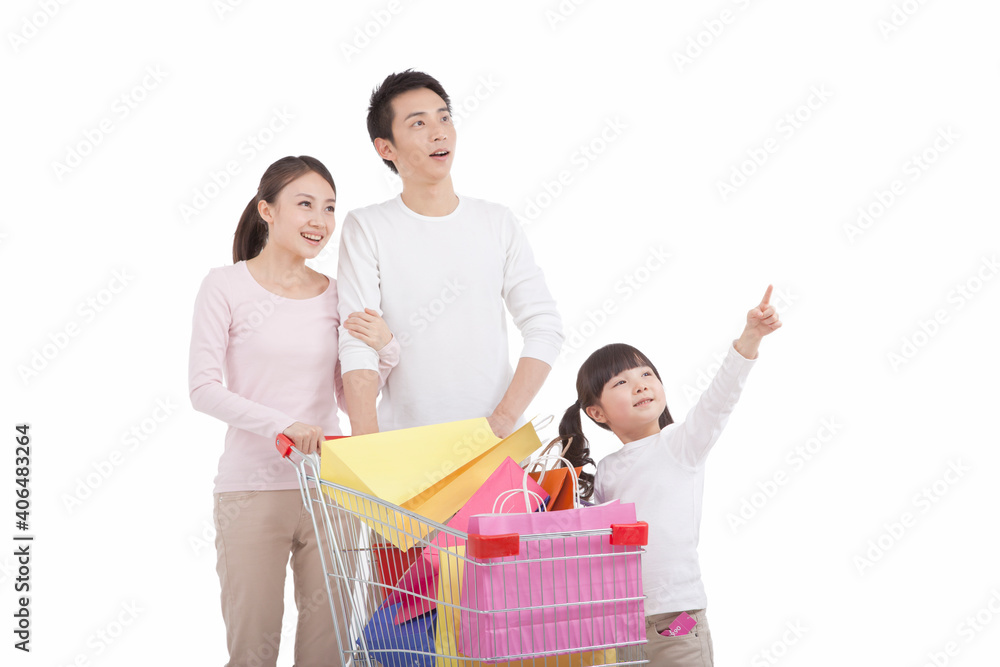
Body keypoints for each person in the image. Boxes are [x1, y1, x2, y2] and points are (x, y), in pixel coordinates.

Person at [188, 155, 400, 666]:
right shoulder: (225, 285)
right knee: (252, 645)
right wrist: (282, 424)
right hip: (251, 489)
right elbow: (202, 389)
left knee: (327, 648)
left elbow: (348, 398)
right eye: (304, 204)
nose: (320, 221)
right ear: (267, 210)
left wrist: (387, 351)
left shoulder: (335, 296)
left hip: (329, 488)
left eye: (329, 208)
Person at [558, 286, 782, 666]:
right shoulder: (609, 468)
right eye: (621, 382)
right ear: (597, 413)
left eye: (646, 374)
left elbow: (719, 399)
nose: (641, 384)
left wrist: (750, 338)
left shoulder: (679, 444)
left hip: (675, 616)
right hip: (620, 618)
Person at [336, 69, 564, 437]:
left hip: (497, 448)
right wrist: (367, 451)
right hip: (407, 447)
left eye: (444, 118)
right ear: (386, 148)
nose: (439, 131)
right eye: (418, 123)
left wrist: (503, 421)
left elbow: (545, 326)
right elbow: (357, 340)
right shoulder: (367, 227)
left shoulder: (497, 222)